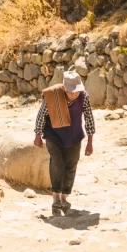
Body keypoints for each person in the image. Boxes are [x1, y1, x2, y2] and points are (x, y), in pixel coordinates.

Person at [34, 70, 96, 216]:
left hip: (74, 136)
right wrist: (37, 134)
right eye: (71, 92)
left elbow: (89, 117)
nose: (74, 94)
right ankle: (56, 196)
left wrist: (90, 141)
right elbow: (42, 115)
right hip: (53, 135)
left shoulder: (83, 96)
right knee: (57, 162)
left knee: (71, 164)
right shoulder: (52, 96)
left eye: (76, 91)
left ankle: (64, 197)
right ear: (64, 88)